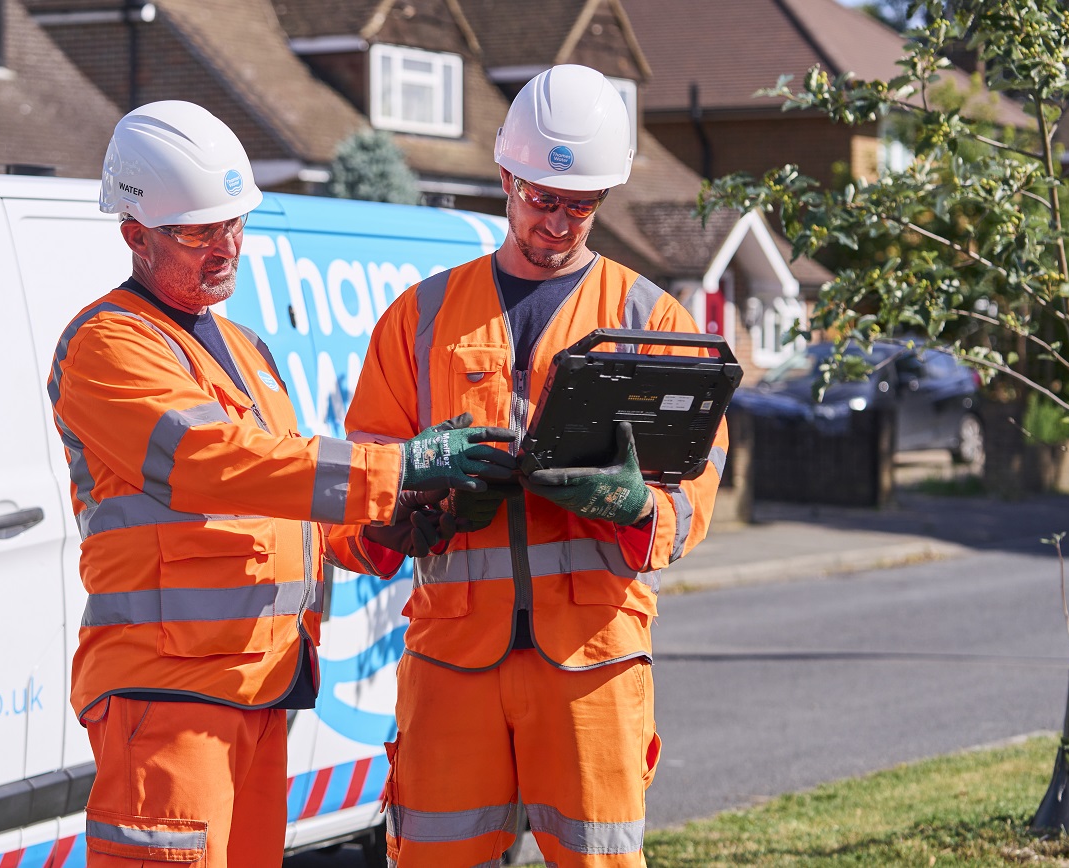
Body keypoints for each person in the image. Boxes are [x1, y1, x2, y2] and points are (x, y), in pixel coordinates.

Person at [47, 100, 516, 867]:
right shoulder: (106, 345)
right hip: (168, 696)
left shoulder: (245, 349)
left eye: (234, 223)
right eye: (200, 231)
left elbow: (286, 498)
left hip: (259, 688)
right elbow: (208, 462)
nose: (226, 247)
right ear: (134, 234)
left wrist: (383, 530)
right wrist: (399, 468)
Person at [341, 65, 729, 867]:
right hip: (454, 658)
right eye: (542, 200)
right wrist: (412, 510)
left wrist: (638, 507)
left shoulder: (649, 318)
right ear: (507, 177)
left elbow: (699, 473)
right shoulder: (417, 320)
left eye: (580, 205)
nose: (559, 222)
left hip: (592, 658)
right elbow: (365, 479)